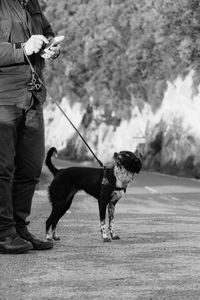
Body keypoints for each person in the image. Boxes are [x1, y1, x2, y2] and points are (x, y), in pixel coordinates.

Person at [0, 0, 61, 254]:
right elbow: (20, 48)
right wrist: (22, 48)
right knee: (2, 170)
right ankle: (3, 233)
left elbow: (47, 34)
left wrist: (50, 48)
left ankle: (19, 228)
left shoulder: (32, 4)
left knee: (31, 168)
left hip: (33, 97)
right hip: (4, 97)